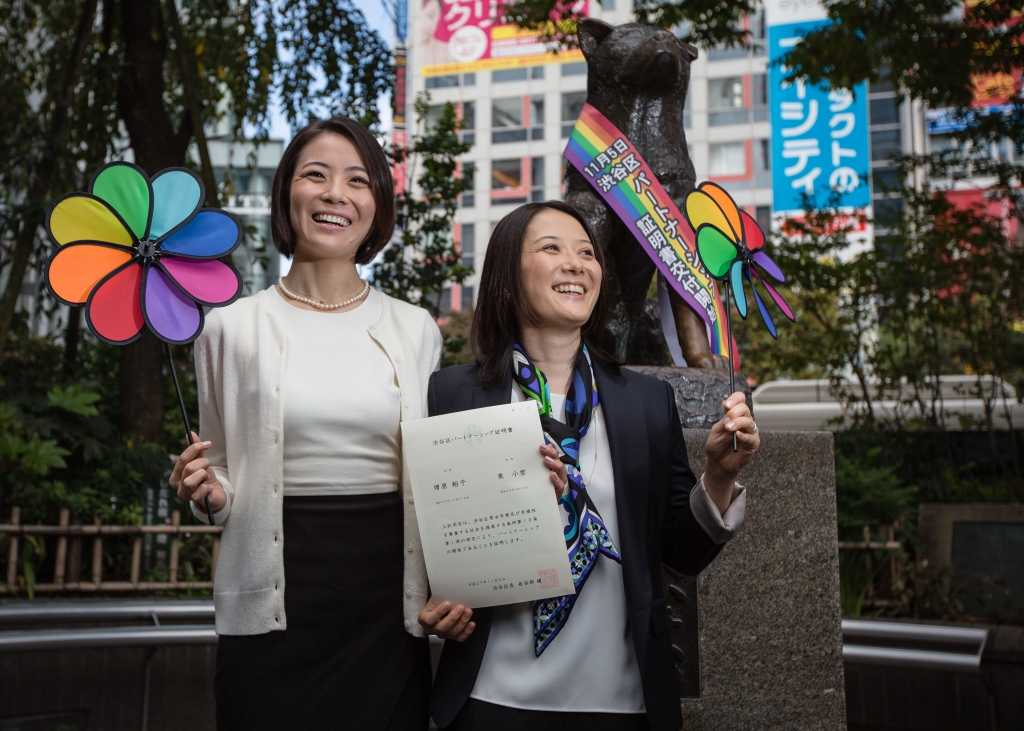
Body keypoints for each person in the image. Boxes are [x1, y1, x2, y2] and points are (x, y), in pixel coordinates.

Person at [419, 201, 758, 731]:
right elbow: (433, 538)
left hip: (621, 699)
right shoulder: (454, 394)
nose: (576, 263)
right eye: (551, 249)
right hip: (491, 696)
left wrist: (719, 475)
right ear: (507, 275)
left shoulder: (646, 402)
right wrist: (437, 602)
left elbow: (680, 554)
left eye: (586, 253)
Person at [169, 116, 440, 731]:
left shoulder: (415, 328)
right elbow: (223, 482)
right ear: (287, 194)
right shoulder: (228, 328)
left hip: (385, 601)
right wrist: (208, 494)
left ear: (378, 205)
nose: (334, 193)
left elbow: (431, 470)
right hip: (272, 601)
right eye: (314, 175)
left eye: (358, 180)